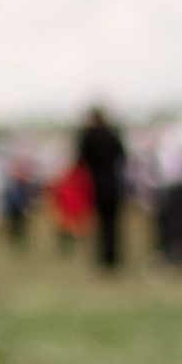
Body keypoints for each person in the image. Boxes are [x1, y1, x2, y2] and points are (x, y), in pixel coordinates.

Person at [76, 106, 129, 272]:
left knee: (99, 224)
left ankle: (102, 258)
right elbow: (123, 157)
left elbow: (80, 160)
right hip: (112, 184)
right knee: (113, 224)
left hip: (95, 185)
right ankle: (113, 258)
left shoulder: (88, 136)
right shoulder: (113, 135)